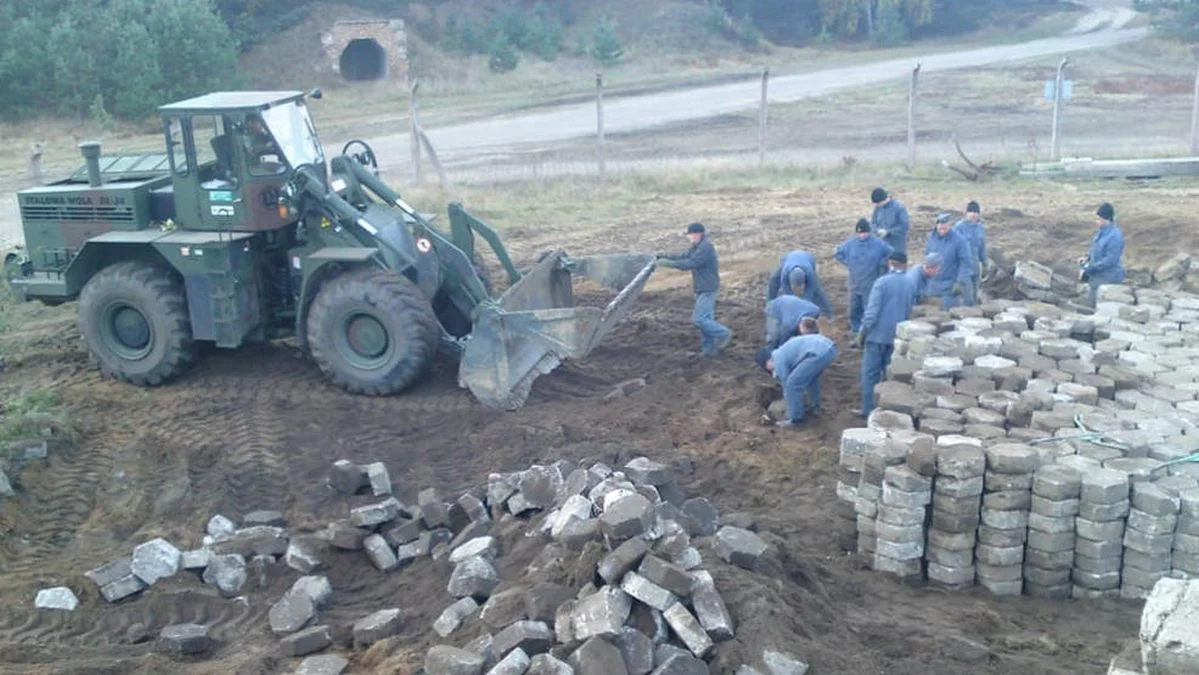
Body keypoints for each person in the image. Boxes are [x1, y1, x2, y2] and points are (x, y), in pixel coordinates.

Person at [851, 252, 915, 418]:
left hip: (877, 336)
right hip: (896, 337)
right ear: (905, 265)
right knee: (889, 375)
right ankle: (887, 411)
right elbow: (909, 309)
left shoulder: (881, 283)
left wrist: (862, 333)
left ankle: (868, 410)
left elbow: (872, 312)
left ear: (890, 264)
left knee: (870, 374)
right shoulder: (910, 283)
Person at [657, 222, 733, 357]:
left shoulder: (706, 248)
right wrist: (663, 256)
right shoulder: (696, 246)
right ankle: (709, 351)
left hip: (708, 287)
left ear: (698, 234)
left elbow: (692, 263)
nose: (689, 237)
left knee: (699, 319)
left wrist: (671, 264)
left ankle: (723, 333)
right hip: (702, 287)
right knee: (706, 320)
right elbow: (683, 257)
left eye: (690, 234)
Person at [760, 317, 837, 428]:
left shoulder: (778, 358)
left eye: (769, 369)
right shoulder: (784, 351)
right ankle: (814, 408)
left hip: (817, 352)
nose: (772, 371)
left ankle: (795, 419)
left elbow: (787, 382)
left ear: (768, 362)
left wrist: (788, 405)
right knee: (811, 380)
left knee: (793, 384)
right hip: (828, 347)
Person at [835, 218, 893, 336]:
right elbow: (838, 253)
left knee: (869, 310)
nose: (861, 235)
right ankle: (856, 332)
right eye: (859, 233)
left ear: (869, 232)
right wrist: (848, 263)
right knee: (853, 310)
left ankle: (868, 333)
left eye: (864, 232)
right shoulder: (850, 243)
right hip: (854, 283)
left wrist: (882, 264)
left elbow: (890, 252)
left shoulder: (878, 243)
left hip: (870, 283)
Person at [1080, 202, 1126, 307]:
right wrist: (1087, 257)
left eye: (1099, 219)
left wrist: (1092, 268)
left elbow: (1111, 260)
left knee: (1094, 304)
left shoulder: (1115, 236)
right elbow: (1095, 249)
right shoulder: (1101, 231)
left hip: (1109, 275)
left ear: (1106, 219)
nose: (1096, 221)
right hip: (1098, 273)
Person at [924, 213, 973, 310]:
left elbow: (966, 263)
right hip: (933, 286)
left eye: (945, 225)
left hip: (950, 288)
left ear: (950, 225)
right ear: (936, 225)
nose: (942, 227)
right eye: (940, 225)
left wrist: (960, 282)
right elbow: (927, 259)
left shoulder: (959, 240)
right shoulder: (931, 239)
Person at [766, 250, 834, 317]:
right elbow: (787, 292)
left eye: (800, 288)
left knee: (817, 290)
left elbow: (809, 293)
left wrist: (804, 308)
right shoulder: (785, 274)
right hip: (788, 258)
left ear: (804, 283)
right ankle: (770, 307)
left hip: (808, 258)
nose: (797, 291)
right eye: (794, 288)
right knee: (773, 281)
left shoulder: (810, 274)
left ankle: (827, 314)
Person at [953, 201, 988, 307]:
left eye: (976, 212)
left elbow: (982, 246)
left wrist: (985, 263)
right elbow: (953, 249)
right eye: (971, 211)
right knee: (967, 300)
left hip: (975, 266)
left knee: (974, 297)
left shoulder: (980, 228)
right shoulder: (959, 228)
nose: (973, 214)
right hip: (963, 269)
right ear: (966, 213)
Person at [870, 187, 911, 256]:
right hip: (882, 247)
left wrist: (888, 232)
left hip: (897, 248)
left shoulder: (899, 208)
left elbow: (904, 226)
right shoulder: (878, 208)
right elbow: (873, 222)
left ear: (884, 200)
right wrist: (876, 230)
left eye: (878, 203)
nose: (877, 205)